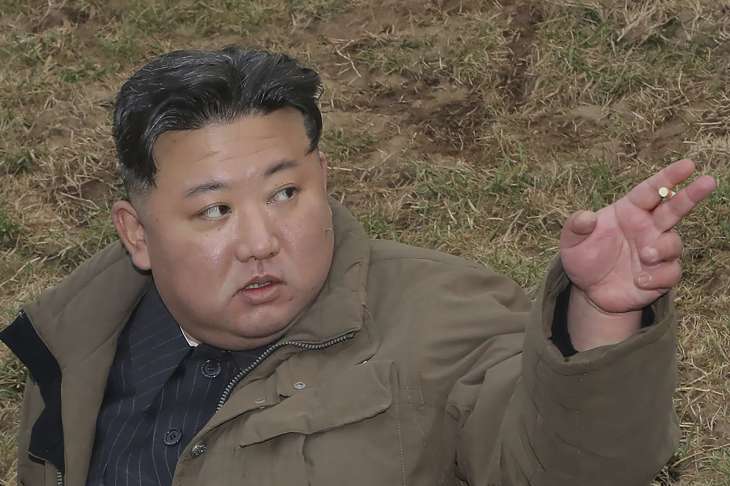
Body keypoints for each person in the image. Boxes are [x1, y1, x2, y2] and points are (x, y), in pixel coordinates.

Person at [0, 47, 717, 486]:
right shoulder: (79, 340)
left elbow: (565, 467)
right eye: (214, 210)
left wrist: (599, 316)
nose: (260, 241)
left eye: (285, 193)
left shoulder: (442, 315)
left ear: (323, 179)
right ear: (138, 234)